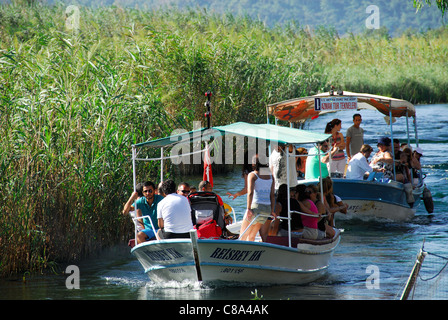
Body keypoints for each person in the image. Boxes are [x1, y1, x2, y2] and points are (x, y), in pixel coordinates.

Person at [239, 154, 275, 242]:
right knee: (252, 236)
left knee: (242, 236)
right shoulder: (271, 176)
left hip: (256, 207)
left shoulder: (253, 175)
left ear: (255, 163)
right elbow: (272, 195)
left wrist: (248, 208)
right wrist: (272, 211)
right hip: (267, 209)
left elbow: (250, 193)